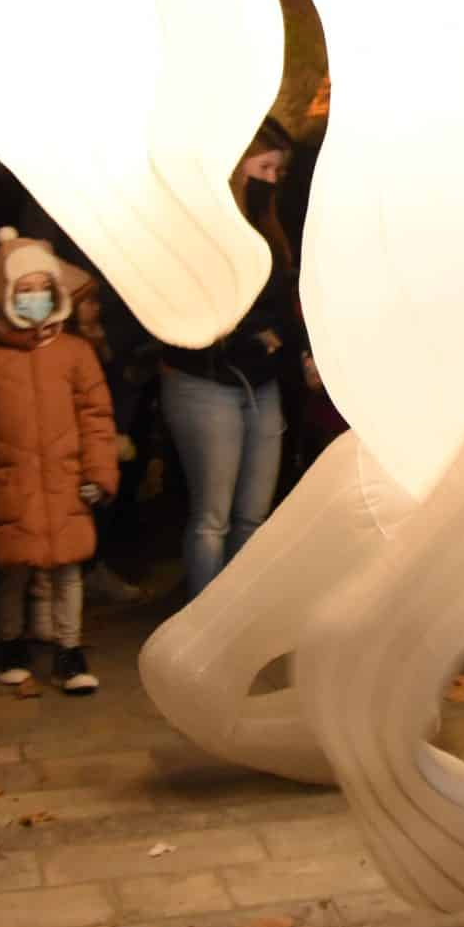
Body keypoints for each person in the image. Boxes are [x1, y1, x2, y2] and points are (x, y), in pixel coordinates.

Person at [0, 230, 120, 694]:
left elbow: (97, 419)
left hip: (66, 482)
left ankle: (70, 650)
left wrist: (100, 474)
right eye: (22, 291)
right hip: (10, 484)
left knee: (68, 569)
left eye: (41, 288)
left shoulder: (76, 353)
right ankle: (11, 642)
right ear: (3, 295)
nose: (34, 298)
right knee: (13, 571)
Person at [163, 119, 306, 597]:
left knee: (253, 514)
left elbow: (279, 294)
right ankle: (202, 618)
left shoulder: (270, 224)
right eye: (264, 167)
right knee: (213, 518)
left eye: (278, 172)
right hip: (206, 382)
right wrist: (249, 333)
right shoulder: (200, 225)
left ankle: (235, 618)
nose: (271, 179)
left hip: (260, 382)